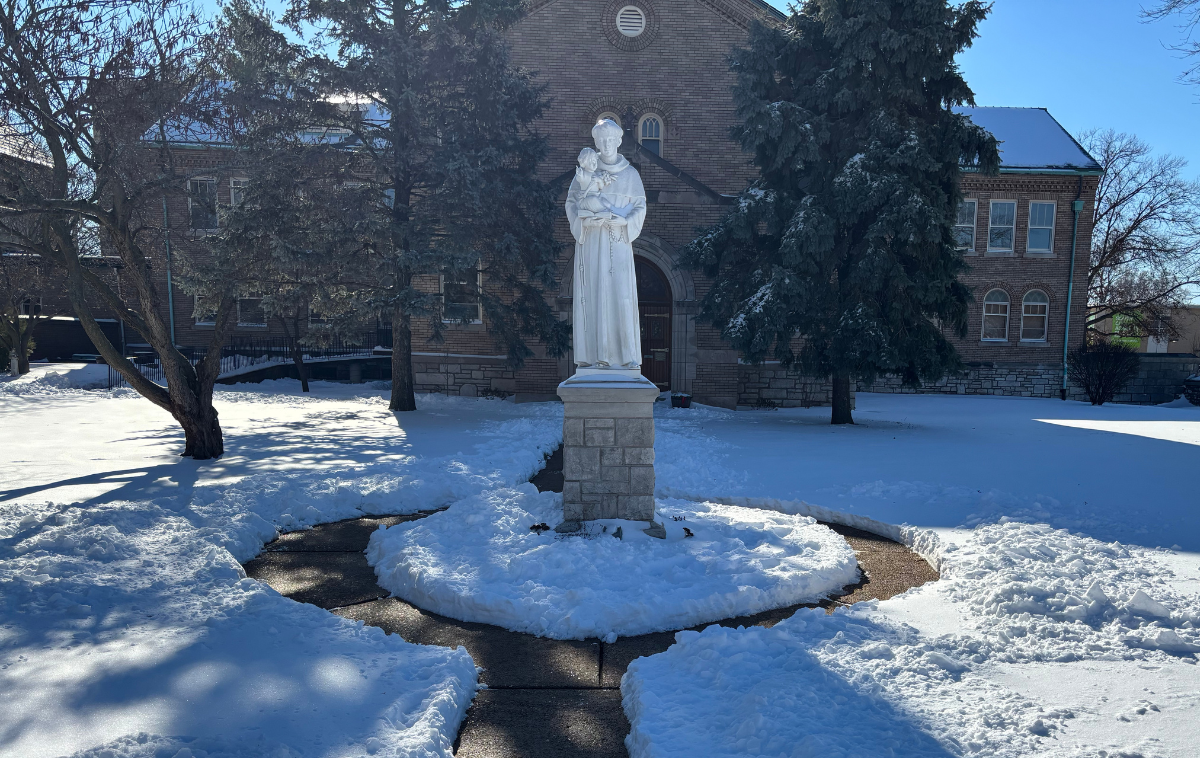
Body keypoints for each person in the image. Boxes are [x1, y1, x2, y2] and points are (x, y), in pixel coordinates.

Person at [565, 119, 647, 369]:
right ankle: (594, 356)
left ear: (619, 141)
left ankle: (625, 357)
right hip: (591, 243)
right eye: (602, 141)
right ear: (596, 143)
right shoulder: (586, 172)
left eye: (612, 140)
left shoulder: (631, 175)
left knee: (621, 296)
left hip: (618, 242)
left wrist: (624, 221)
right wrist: (586, 221)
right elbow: (571, 204)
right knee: (594, 295)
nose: (607, 145)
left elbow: (640, 207)